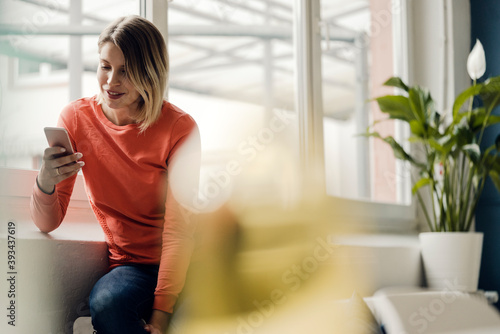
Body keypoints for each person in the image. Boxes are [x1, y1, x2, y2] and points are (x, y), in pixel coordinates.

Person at [30, 15, 200, 334]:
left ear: (149, 73)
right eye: (105, 66)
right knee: (107, 303)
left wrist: (160, 317)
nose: (111, 82)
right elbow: (47, 223)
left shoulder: (180, 128)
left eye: (125, 71)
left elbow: (179, 232)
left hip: (187, 261)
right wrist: (45, 182)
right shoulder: (75, 119)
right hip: (131, 266)